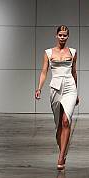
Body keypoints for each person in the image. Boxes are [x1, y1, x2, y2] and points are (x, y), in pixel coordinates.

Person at [35, 25, 79, 170]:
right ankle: (63, 151)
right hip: (55, 88)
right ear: (56, 35)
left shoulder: (73, 52)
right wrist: (39, 88)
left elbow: (74, 72)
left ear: (68, 36)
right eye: (60, 35)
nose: (62, 37)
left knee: (66, 121)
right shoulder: (48, 52)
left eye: (65, 35)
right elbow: (43, 72)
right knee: (59, 125)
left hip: (69, 87)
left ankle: (61, 157)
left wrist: (76, 92)